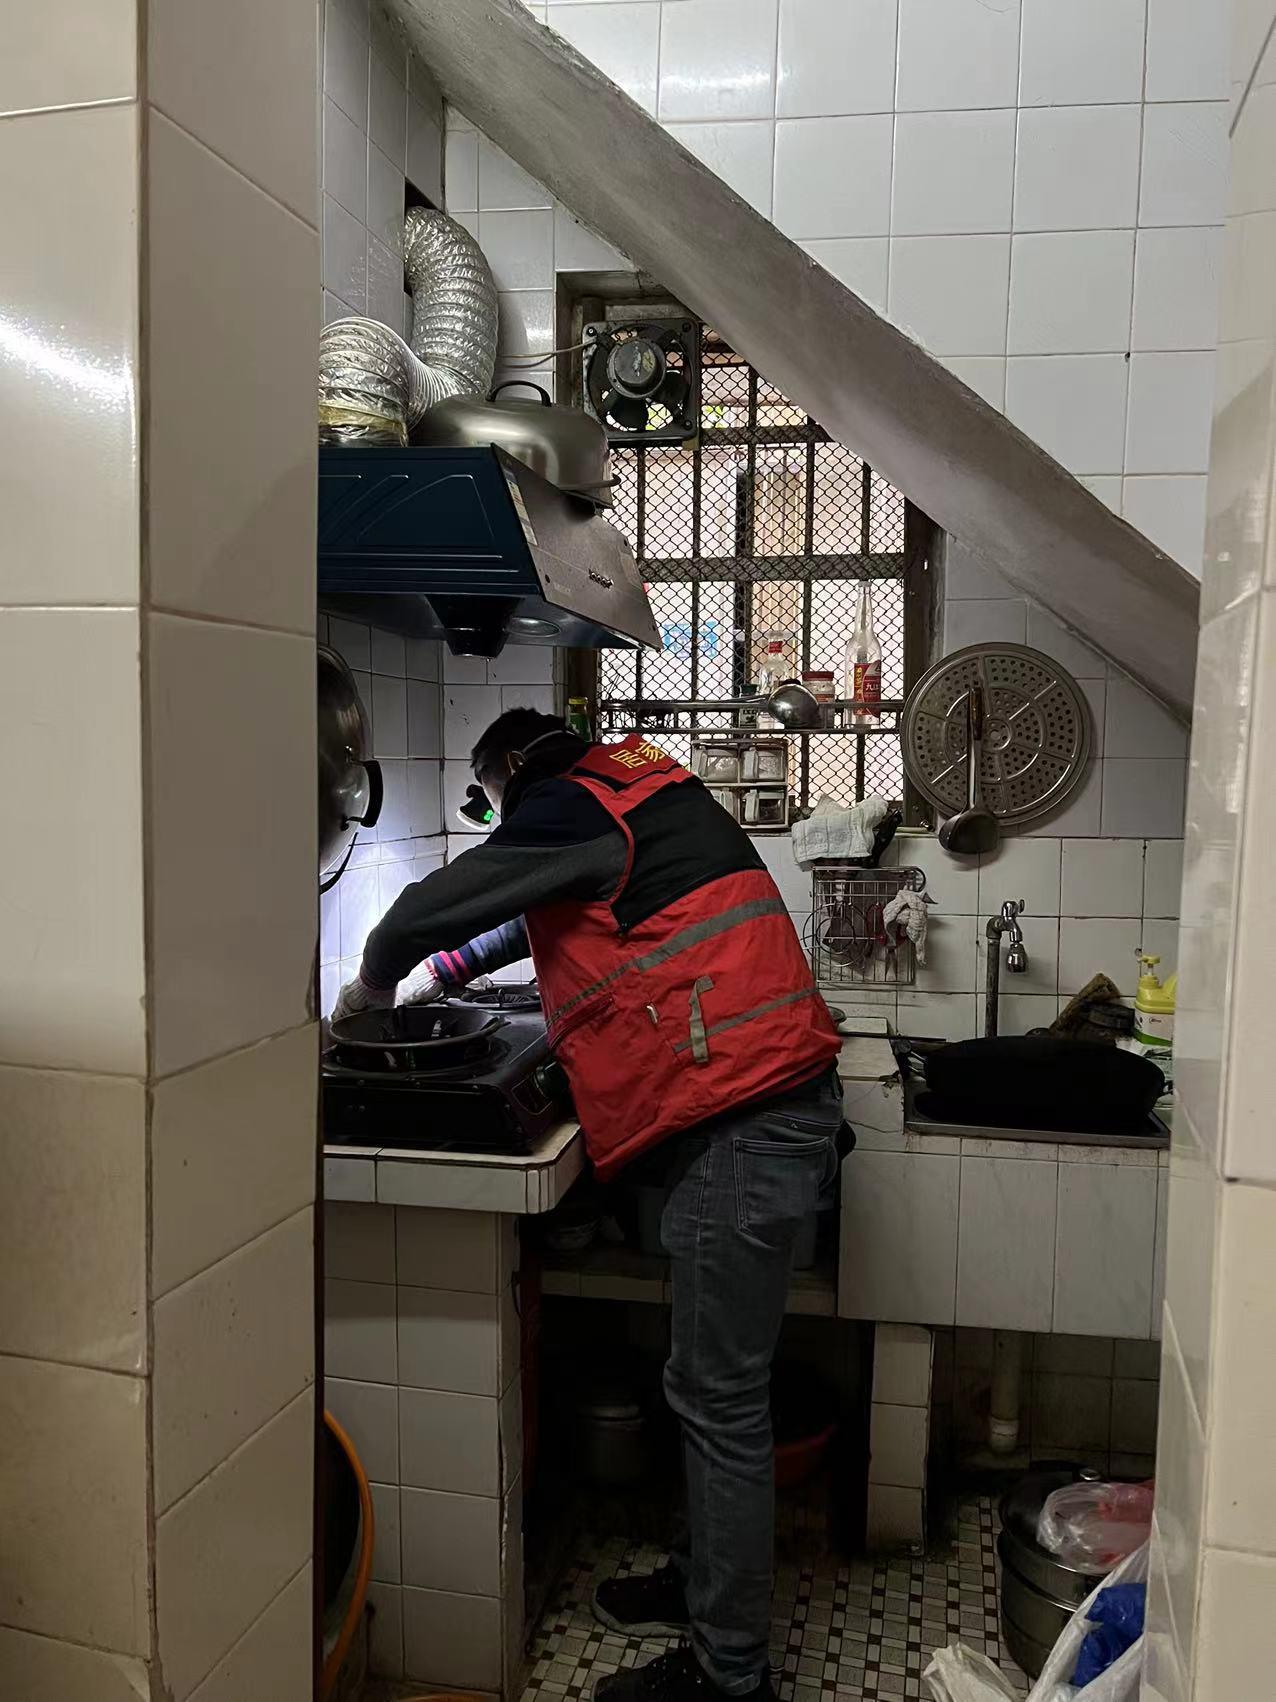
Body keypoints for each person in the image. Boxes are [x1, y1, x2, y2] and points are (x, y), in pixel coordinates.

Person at [333, 707, 847, 1702]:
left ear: (513, 768)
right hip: (753, 1112)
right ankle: (702, 1585)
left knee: (719, 1398)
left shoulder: (572, 803)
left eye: (490, 800)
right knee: (707, 1387)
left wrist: (378, 979)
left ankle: (728, 1678)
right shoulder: (631, 790)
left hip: (744, 1126)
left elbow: (433, 907)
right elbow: (522, 916)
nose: (495, 818)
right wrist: (444, 975)